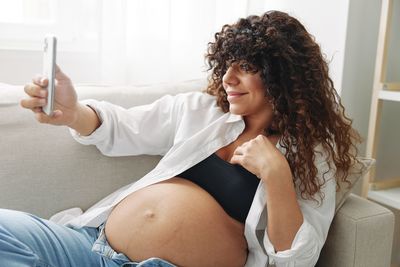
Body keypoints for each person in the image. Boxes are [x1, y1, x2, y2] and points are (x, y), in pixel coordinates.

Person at [4, 10, 360, 267]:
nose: (228, 79)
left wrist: (277, 175)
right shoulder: (201, 109)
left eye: (247, 68)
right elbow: (124, 127)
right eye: (227, 66)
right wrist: (72, 111)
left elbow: (296, 261)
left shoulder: (313, 156)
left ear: (284, 77)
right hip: (91, 247)